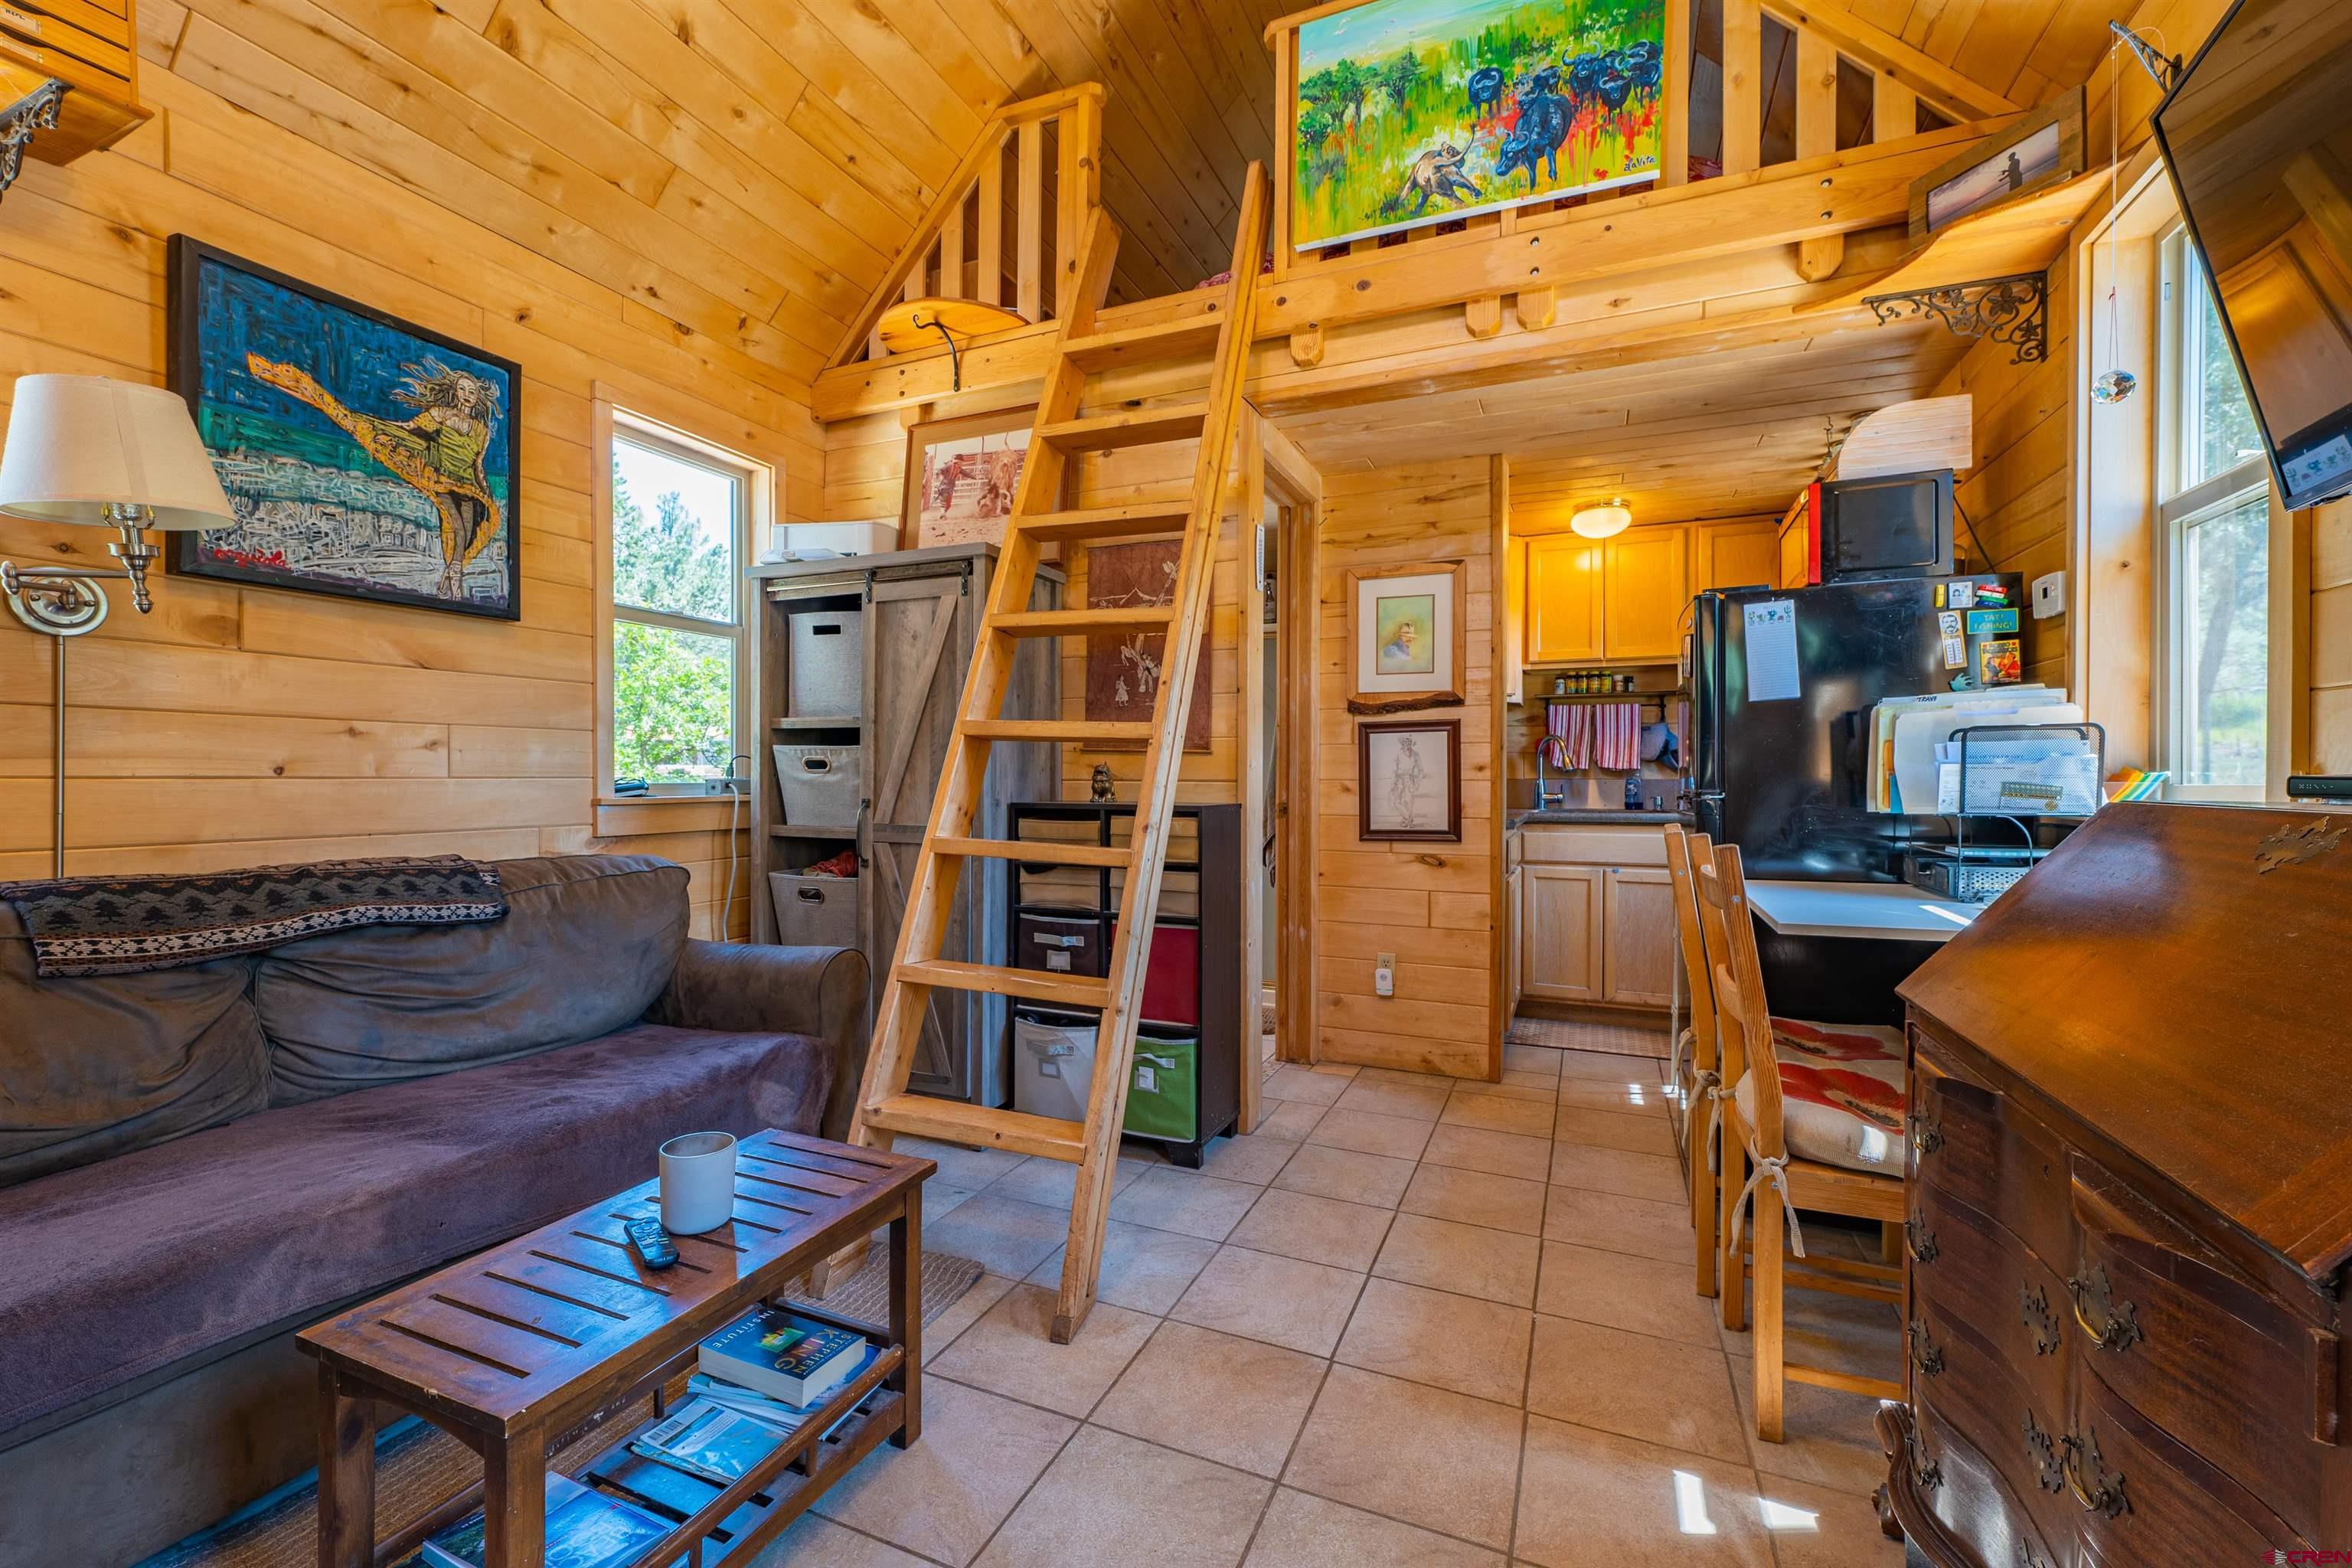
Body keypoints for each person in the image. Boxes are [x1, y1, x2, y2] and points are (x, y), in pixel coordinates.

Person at [245, 353, 504, 599]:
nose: (467, 396)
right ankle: (455, 582)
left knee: (468, 532)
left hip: (468, 484)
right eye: (463, 390)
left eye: (472, 392)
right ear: (455, 392)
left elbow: (478, 465)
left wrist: (486, 492)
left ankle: (449, 577)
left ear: (478, 397)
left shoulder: (481, 431)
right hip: (441, 476)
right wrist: (381, 429)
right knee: (455, 525)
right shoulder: (441, 414)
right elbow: (410, 429)